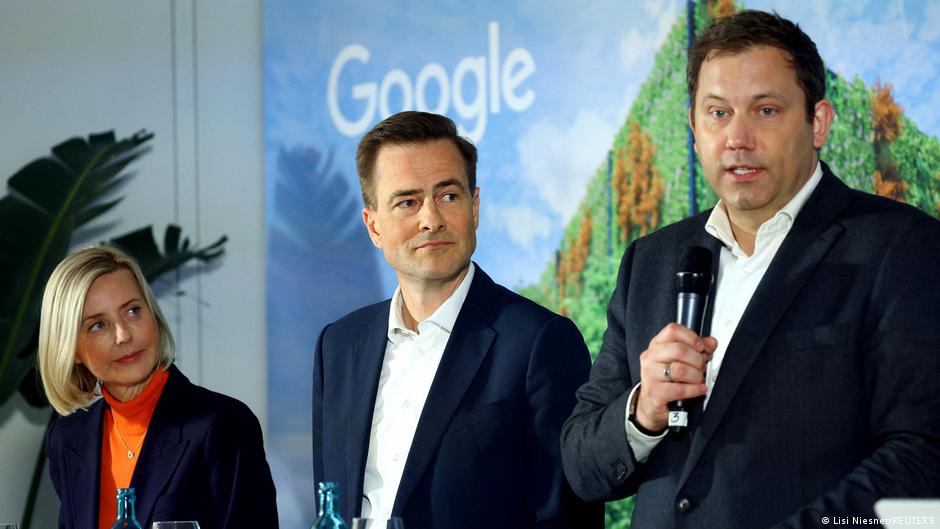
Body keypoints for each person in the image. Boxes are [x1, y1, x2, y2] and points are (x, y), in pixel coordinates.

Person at [560, 9, 940, 528]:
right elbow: (582, 468)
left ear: (818, 122)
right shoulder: (650, 261)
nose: (737, 137)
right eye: (718, 113)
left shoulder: (900, 246)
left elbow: (923, 461)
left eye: (765, 110)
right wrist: (644, 410)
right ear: (694, 128)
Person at [312, 111, 602, 529]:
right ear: (373, 226)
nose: (431, 219)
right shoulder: (338, 346)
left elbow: (565, 519)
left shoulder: (539, 342)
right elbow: (331, 506)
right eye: (407, 202)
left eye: (448, 196)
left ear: (475, 206)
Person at [39, 245, 278, 529]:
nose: (123, 335)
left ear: (152, 314)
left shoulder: (224, 425)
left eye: (133, 311)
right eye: (98, 325)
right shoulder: (67, 438)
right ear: (72, 349)